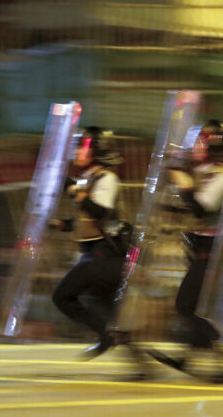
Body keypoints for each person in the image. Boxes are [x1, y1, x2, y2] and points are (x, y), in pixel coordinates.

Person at [148, 120, 223, 378]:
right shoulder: (204, 170)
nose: (194, 147)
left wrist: (183, 184)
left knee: (185, 303)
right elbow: (188, 207)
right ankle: (190, 358)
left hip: (216, 248)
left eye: (199, 142)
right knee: (197, 306)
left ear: (212, 145)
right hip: (202, 246)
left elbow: (200, 207)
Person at [50, 127, 126, 360]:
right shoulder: (89, 179)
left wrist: (73, 190)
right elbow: (87, 220)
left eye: (83, 147)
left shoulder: (107, 179)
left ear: (97, 151)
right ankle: (140, 361)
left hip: (105, 256)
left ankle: (105, 335)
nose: (77, 152)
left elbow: (99, 210)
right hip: (95, 255)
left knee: (62, 296)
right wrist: (62, 225)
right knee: (112, 312)